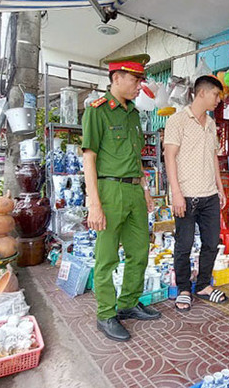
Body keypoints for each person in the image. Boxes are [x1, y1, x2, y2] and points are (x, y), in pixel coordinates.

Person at [81, 53, 159, 342]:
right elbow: (89, 158)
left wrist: (146, 189)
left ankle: (127, 303)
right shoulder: (97, 110)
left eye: (140, 79)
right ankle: (105, 314)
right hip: (109, 191)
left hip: (133, 190)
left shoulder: (134, 114)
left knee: (139, 252)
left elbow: (136, 157)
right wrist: (94, 204)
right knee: (107, 257)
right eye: (136, 79)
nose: (140, 85)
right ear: (117, 78)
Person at [164, 75, 229, 312]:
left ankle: (203, 285)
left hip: (209, 194)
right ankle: (183, 288)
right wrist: (176, 194)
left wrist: (220, 189)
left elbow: (213, 156)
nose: (218, 100)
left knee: (212, 242)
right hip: (186, 194)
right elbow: (169, 157)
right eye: (216, 95)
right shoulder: (177, 121)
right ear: (201, 93)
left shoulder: (211, 123)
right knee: (184, 243)